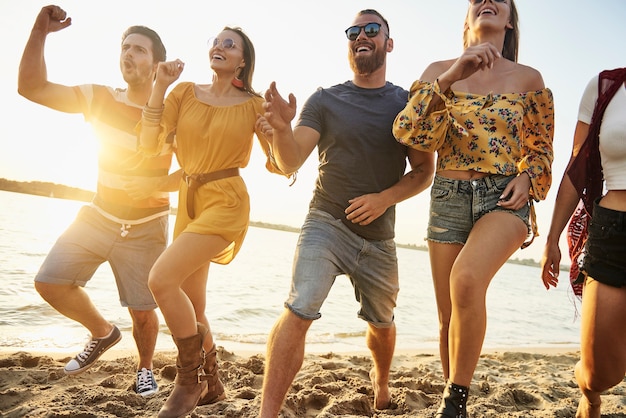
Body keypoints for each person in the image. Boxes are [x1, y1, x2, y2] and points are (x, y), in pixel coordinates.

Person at [257, 9, 436, 417]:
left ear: (388, 44)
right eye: (354, 30)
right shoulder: (325, 99)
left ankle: (382, 381)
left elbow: (425, 171)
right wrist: (283, 132)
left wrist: (383, 199)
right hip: (326, 222)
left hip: (379, 239)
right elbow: (289, 162)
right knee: (299, 307)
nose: (362, 35)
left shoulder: (406, 103)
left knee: (382, 324)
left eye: (372, 29)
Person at [392, 0, 554, 416]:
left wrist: (527, 178)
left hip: (503, 198)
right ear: (467, 19)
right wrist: (449, 79)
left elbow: (540, 153)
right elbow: (408, 132)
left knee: (465, 281)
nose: (487, 0)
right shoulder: (437, 72)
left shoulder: (529, 79)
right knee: (448, 317)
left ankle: (453, 402)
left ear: (510, 20)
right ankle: (457, 404)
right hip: (448, 194)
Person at [17, 5, 176, 397]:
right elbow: (31, 87)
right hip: (98, 214)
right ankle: (103, 333)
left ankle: (144, 368)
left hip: (147, 226)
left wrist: (159, 183)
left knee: (143, 310)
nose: (128, 54)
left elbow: (198, 169)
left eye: (139, 49)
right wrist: (40, 31)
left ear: (157, 64)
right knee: (49, 282)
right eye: (125, 46)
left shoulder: (176, 113)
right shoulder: (99, 97)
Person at [137, 26, 288, 418]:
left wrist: (273, 136)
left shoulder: (253, 104)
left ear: (242, 61)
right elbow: (149, 144)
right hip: (189, 202)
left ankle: (189, 381)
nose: (219, 47)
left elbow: (280, 165)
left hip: (226, 201)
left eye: (230, 44)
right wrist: (159, 86)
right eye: (216, 42)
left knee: (160, 280)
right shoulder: (184, 92)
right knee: (195, 305)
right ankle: (214, 380)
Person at [541, 68, 626, 418]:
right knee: (598, 373)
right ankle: (589, 396)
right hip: (614, 233)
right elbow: (577, 167)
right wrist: (552, 237)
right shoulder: (607, 87)